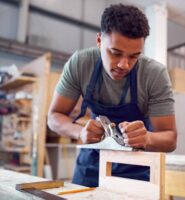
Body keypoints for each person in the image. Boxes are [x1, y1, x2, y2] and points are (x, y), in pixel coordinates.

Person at [47, 4, 177, 187]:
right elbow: (54, 117)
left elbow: (170, 138)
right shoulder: (81, 64)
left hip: (138, 166)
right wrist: (79, 132)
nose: (124, 65)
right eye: (115, 53)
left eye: (134, 56)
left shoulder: (154, 75)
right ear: (99, 40)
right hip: (92, 162)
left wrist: (147, 138)